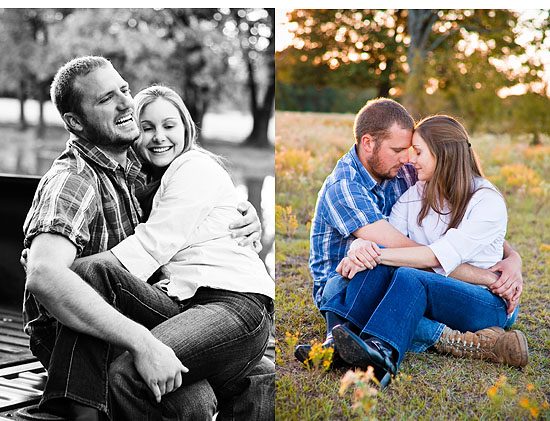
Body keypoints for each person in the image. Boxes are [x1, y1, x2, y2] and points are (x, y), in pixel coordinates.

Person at [21, 56, 272, 421]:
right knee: (191, 398)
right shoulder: (73, 179)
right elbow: (45, 275)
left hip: (185, 307)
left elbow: (179, 226)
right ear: (75, 122)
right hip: (90, 333)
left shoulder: (139, 174)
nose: (125, 102)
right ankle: (82, 412)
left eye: (124, 90)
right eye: (106, 98)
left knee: (262, 376)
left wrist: (241, 211)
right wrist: (142, 343)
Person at [296, 99, 524, 380]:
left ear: (443, 155)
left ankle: (383, 352)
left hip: (484, 299)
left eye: (415, 151)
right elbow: (396, 248)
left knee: (406, 278)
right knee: (379, 281)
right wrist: (361, 247)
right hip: (360, 283)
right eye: (402, 150)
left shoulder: (482, 200)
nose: (408, 159)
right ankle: (342, 343)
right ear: (368, 144)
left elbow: (433, 256)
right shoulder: (403, 190)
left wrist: (512, 260)